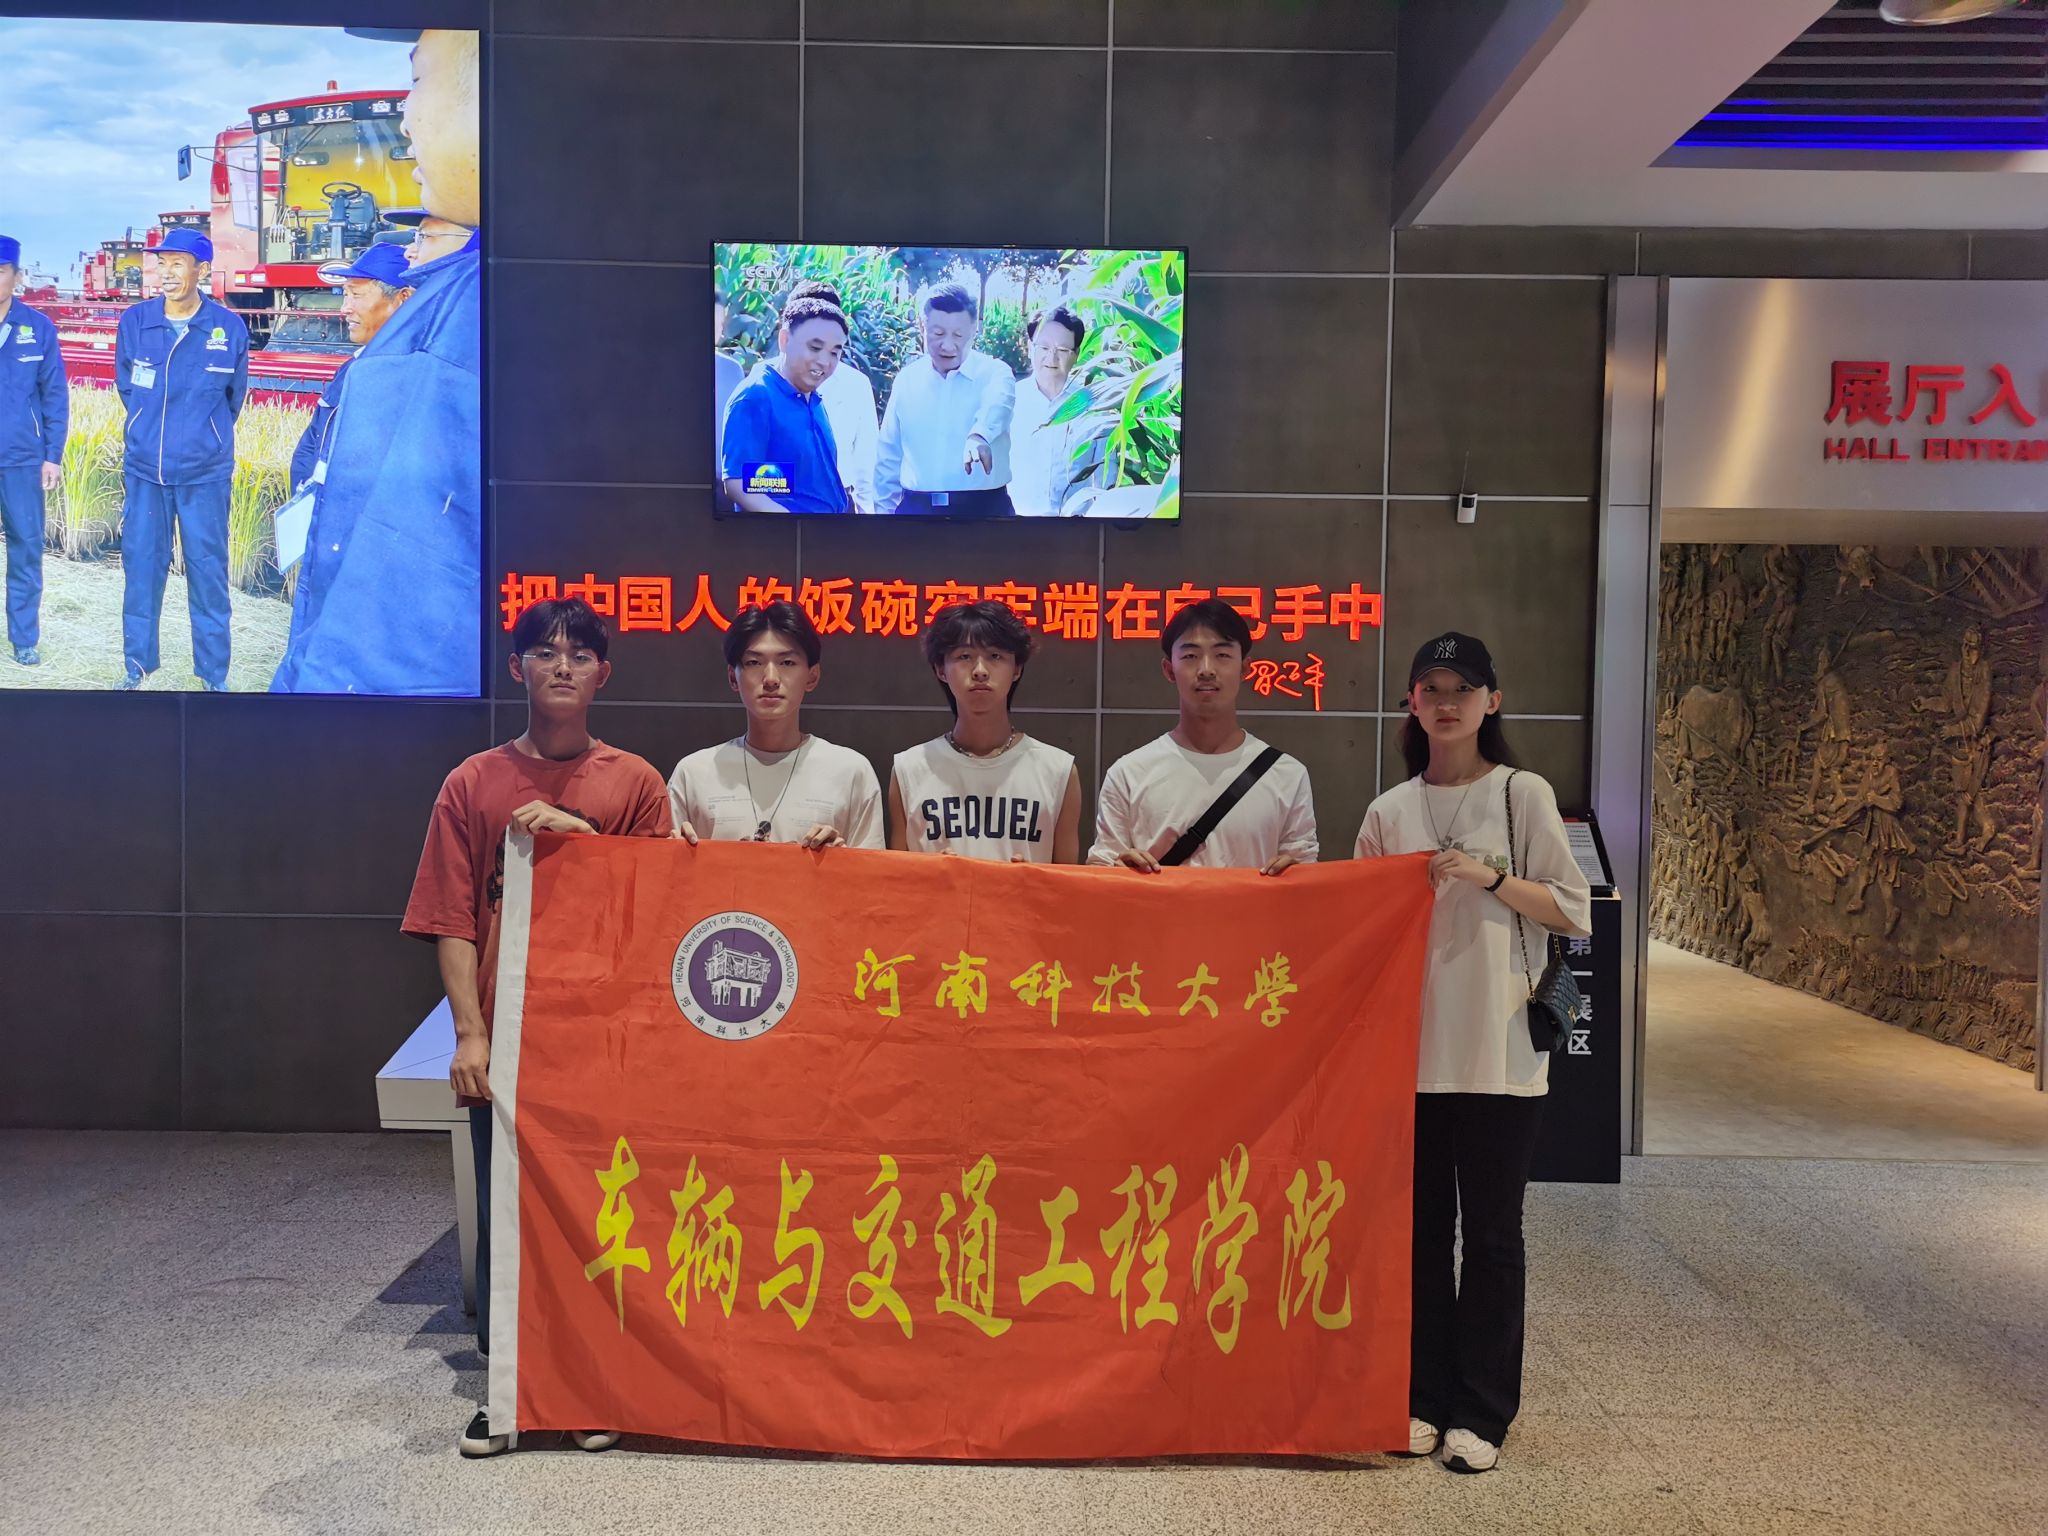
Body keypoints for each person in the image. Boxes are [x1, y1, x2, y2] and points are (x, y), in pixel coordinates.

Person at [401, 596, 671, 1459]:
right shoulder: (471, 783)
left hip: (600, 1041)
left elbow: (656, 910)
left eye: (579, 654)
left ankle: (588, 1384)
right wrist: (470, 1035)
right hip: (509, 1040)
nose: (562, 665)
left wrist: (582, 837)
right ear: (516, 667)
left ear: (603, 674)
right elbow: (451, 918)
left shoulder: (635, 783)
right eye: (545, 652)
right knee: (506, 1211)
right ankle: (508, 1392)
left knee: (598, 1215)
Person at [1353, 632, 1591, 1475]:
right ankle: (1421, 1396)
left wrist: (1486, 877)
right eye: (1431, 688)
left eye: (1463, 688)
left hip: (1499, 1052)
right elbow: (1356, 924)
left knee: (1492, 1236)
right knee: (1419, 1236)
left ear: (1492, 701)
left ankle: (1483, 1410)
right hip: (1410, 1055)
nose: (1446, 702)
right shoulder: (1389, 810)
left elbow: (1573, 908)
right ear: (1411, 704)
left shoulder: (1522, 794)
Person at [270, 27, 481, 695]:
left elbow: (411, 586)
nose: (407, 120)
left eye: (419, 80)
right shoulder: (428, 326)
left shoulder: (457, 331)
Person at [1090, 597, 1316, 874]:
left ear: (1245, 668)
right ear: (1169, 670)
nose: (1206, 669)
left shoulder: (1287, 775)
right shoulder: (1129, 774)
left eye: (1222, 655)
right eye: (1190, 656)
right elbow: (1102, 875)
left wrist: (1298, 873)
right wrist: (1115, 871)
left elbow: (1306, 878)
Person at [114, 227, 248, 691]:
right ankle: (137, 667)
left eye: (177, 263)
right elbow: (128, 388)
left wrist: (203, 437)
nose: (166, 273)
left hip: (204, 476)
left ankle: (213, 675)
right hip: (145, 472)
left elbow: (232, 399)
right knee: (141, 571)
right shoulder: (135, 322)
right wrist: (147, 431)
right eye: (161, 263)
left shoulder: (227, 328)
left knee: (208, 575)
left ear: (202, 270)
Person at [670, 601, 884, 848]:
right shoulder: (693, 773)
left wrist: (842, 861)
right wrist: (676, 853)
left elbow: (873, 872)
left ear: (812, 676)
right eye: (754, 662)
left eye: (787, 663)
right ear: (733, 677)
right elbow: (665, 870)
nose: (771, 679)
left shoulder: (850, 772)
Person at [888, 599, 1081, 862]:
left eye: (995, 656)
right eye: (964, 656)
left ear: (1017, 669)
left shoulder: (1057, 771)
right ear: (941, 669)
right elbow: (898, 878)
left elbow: (1068, 882)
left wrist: (1031, 880)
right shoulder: (909, 769)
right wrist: (932, 877)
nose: (980, 671)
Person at [874, 281, 1017, 517]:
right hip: (917, 512)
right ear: (922, 326)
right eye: (938, 333)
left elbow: (999, 405)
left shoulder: (995, 373)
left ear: (974, 329)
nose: (947, 346)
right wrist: (884, 517)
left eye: (958, 335)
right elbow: (889, 454)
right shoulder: (907, 380)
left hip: (984, 513)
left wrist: (979, 435)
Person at [741, 281, 879, 513]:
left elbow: (866, 461)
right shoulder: (760, 387)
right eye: (814, 344)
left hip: (840, 505)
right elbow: (745, 477)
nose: (823, 359)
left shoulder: (855, 384)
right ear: (787, 333)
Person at [289, 243, 417, 493]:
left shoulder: (417, 376)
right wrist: (303, 493)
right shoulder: (352, 368)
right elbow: (313, 439)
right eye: (345, 295)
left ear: (404, 298)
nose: (344, 308)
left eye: (356, 295)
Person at [719, 295, 851, 515]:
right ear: (784, 340)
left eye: (834, 353)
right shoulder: (756, 397)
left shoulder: (812, 398)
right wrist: (791, 524)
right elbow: (739, 483)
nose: (824, 361)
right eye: (815, 347)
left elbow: (791, 478)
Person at [0, 234, 66, 668]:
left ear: (17, 276)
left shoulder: (37, 328)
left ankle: (24, 638)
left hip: (22, 459)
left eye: (0, 271)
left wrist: (52, 454)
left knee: (26, 549)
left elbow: (54, 395)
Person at [1009, 305, 1100, 518]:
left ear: (1076, 354)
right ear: (1029, 347)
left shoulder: (1093, 405)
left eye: (1062, 350)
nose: (1052, 358)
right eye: (1044, 347)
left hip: (1078, 526)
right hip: (1014, 525)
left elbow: (1107, 472)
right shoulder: (1009, 400)